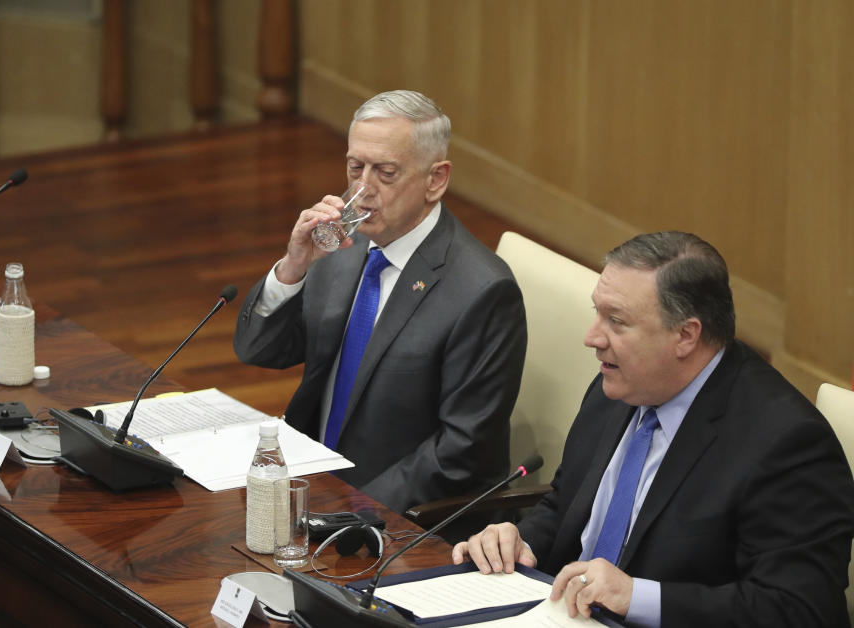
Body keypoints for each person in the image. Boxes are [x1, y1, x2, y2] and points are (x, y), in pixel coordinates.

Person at [452, 231, 854, 627]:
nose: (592, 337)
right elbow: (566, 505)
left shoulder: (786, 444)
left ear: (685, 335)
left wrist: (639, 598)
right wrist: (520, 544)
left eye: (616, 321)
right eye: (597, 313)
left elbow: (799, 609)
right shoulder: (620, 386)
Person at [233, 90, 526, 516]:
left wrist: (351, 507)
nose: (363, 190)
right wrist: (293, 267)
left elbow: (461, 451)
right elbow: (261, 350)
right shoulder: (344, 247)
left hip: (402, 517)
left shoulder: (482, 293)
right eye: (355, 168)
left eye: (385, 173)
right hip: (312, 482)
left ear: (435, 179)